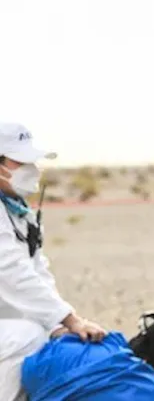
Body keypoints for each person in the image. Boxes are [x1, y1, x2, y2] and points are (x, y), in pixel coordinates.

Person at [0, 123, 107, 401]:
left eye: (32, 161)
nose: (31, 169)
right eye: (21, 162)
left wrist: (59, 324)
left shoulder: (18, 211)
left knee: (44, 335)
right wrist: (69, 319)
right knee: (26, 336)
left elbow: (37, 270)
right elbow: (11, 273)